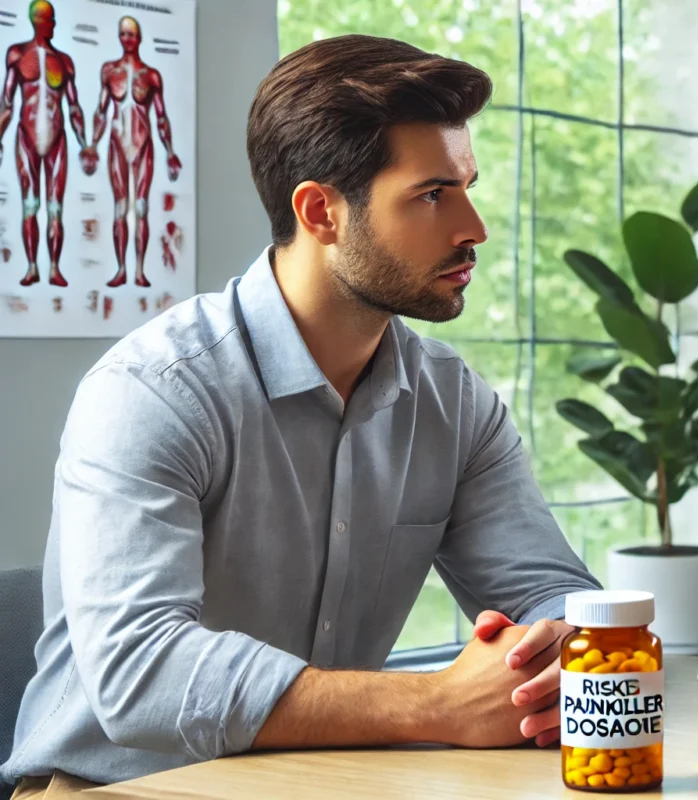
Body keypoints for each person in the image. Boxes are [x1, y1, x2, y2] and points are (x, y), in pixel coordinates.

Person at [2, 34, 601, 795]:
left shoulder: (456, 404)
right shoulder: (152, 391)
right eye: (431, 195)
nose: (474, 228)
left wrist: (552, 652)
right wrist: (437, 702)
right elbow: (140, 674)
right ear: (320, 211)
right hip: (112, 788)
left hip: (325, 782)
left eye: (466, 187)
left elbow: (553, 599)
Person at [81, 14, 184, 289]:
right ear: (119, 37)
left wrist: (170, 151)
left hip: (142, 146)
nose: (128, 39)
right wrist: (92, 144)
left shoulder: (150, 76)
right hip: (117, 144)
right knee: (119, 209)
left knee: (140, 208)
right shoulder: (109, 71)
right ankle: (121, 269)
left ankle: (138, 270)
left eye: (132, 34)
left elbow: (161, 117)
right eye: (123, 34)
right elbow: (101, 113)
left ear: (139, 38)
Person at [0, 0, 91, 288]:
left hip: (57, 141)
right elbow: (7, 103)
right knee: (30, 205)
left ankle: (53, 268)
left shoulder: (63, 61)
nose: (53, 24)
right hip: (26, 138)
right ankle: (31, 267)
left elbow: (74, 107)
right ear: (37, 20)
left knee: (54, 209)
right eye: (48, 19)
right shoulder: (17, 54)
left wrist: (85, 145)